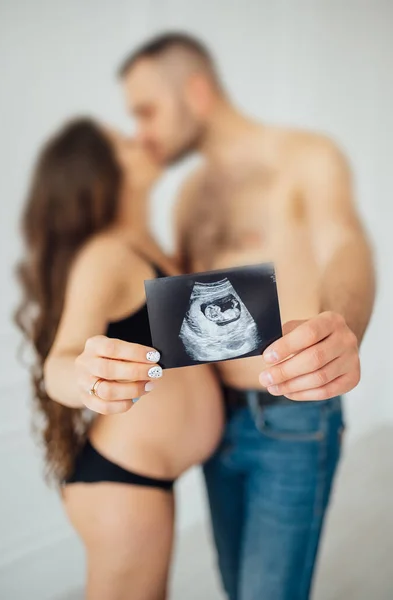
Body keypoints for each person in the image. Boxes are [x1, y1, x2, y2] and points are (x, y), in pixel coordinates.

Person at [118, 33, 376, 600]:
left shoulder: (304, 156)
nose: (141, 134)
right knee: (236, 587)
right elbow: (178, 315)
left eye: (146, 111)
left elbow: (345, 244)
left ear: (196, 91)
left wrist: (343, 325)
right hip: (216, 425)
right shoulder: (187, 194)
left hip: (289, 421)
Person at [15, 118, 224, 600]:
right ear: (98, 177)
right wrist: (82, 376)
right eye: (126, 144)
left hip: (142, 480)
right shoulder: (107, 256)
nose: (143, 139)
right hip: (123, 485)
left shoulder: (152, 246)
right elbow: (61, 363)